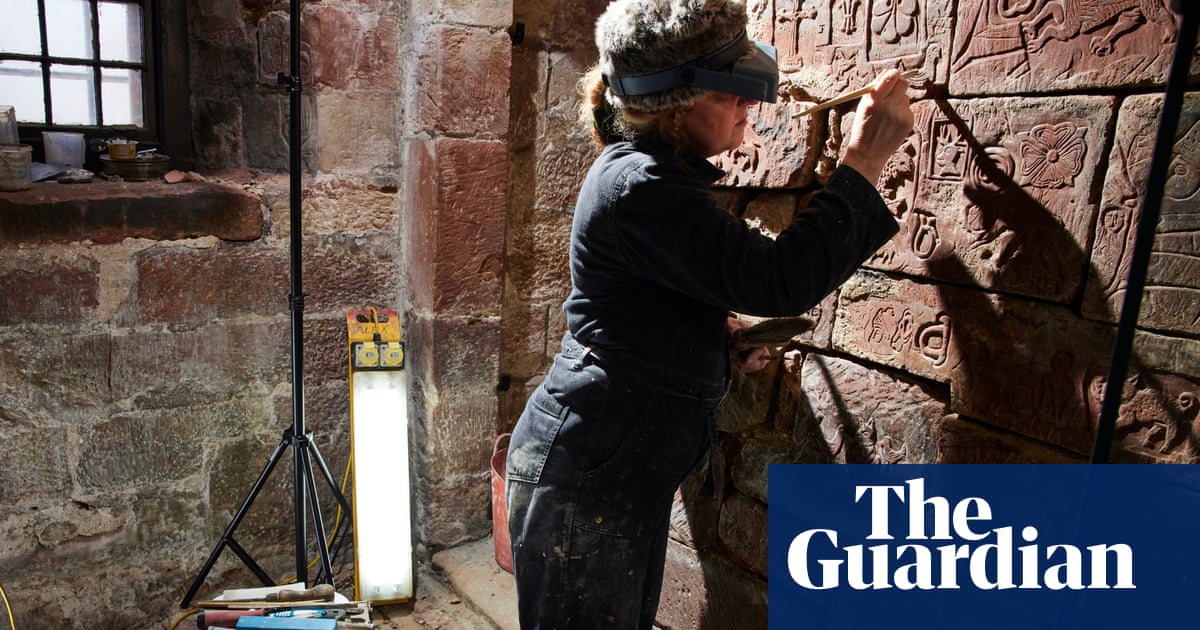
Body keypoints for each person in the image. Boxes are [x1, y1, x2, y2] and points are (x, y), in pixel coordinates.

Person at [504, 0, 915, 627]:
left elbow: (640, 309)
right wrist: (862, 162)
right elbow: (778, 280)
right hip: (587, 477)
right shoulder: (640, 186)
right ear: (675, 105)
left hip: (608, 472)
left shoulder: (651, 177)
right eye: (732, 92)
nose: (748, 105)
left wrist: (713, 338)